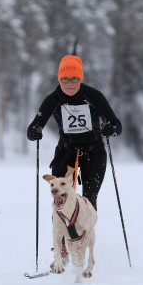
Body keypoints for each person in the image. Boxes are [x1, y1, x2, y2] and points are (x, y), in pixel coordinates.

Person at [26, 55, 122, 210]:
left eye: (74, 79)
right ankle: (63, 234)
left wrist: (111, 130)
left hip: (94, 153)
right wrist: (34, 132)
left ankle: (86, 234)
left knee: (88, 201)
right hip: (66, 153)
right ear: (59, 79)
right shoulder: (53, 99)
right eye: (65, 79)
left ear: (80, 78)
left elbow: (118, 126)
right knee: (61, 200)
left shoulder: (93, 96)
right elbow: (31, 131)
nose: (70, 83)